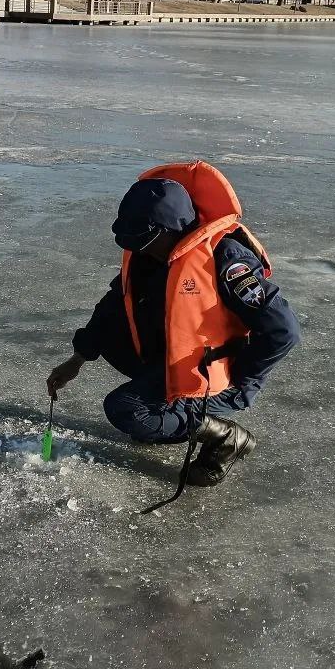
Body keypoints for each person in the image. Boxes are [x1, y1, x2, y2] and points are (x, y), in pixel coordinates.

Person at [46, 161, 300, 488]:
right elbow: (113, 305)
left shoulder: (226, 259)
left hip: (217, 374)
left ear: (170, 229)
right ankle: (167, 416)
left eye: (142, 241)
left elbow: (284, 330)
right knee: (112, 330)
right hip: (176, 361)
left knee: (124, 410)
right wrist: (76, 360)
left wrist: (242, 378)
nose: (136, 249)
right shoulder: (152, 255)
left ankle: (224, 437)